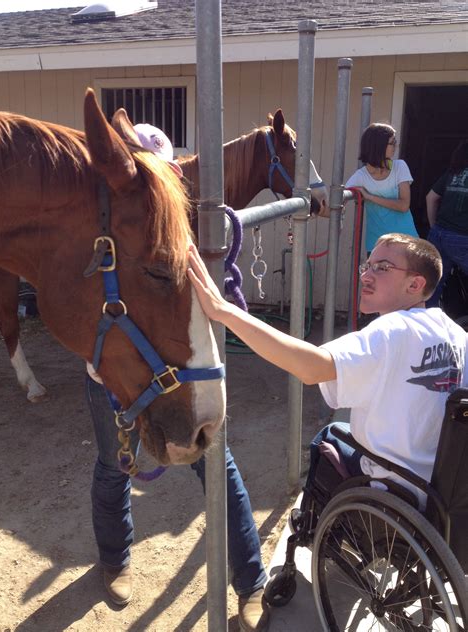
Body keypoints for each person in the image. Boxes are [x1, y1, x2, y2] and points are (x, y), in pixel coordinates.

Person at [87, 124, 269, 632]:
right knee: (113, 465)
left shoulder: (183, 234)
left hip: (181, 374)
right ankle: (115, 558)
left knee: (217, 467)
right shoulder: (104, 232)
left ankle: (251, 582)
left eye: (166, 177)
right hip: (115, 376)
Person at [188, 233, 467, 510]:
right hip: (444, 495)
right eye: (366, 266)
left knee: (330, 436)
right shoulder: (457, 335)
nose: (366, 276)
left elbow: (313, 368)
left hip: (394, 492)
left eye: (382, 268)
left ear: (415, 284)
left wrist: (224, 311)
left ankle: (314, 526)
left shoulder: (391, 331)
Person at [346, 123, 418, 254]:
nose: (396, 145)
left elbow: (404, 205)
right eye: (392, 142)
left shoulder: (400, 167)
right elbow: (339, 199)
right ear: (379, 146)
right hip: (377, 245)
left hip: (406, 242)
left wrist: (370, 197)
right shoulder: (360, 176)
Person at [426, 139, 468, 308]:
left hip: (438, 234)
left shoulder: (452, 173)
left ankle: (425, 326)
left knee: (432, 284)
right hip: (462, 238)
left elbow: (431, 197)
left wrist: (433, 226)